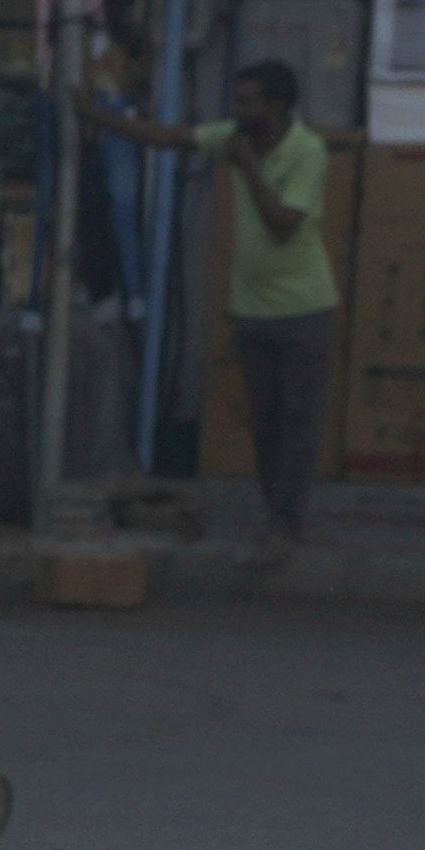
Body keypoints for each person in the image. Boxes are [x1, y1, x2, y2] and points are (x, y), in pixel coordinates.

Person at [79, 51, 345, 537]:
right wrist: (99, 117)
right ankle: (275, 516)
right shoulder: (234, 138)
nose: (238, 111)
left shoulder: (306, 151)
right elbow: (170, 138)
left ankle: (286, 524)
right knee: (265, 425)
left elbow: (285, 225)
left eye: (249, 102)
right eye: (237, 101)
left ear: (279, 106)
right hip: (252, 309)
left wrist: (247, 167)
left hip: (304, 310)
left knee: (297, 426)